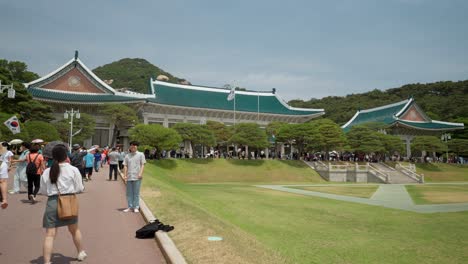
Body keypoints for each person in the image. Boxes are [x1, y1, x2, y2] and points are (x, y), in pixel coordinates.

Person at [39, 144, 87, 263]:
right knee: (74, 229)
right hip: (69, 201)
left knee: (50, 234)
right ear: (66, 155)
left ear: (52, 157)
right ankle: (81, 252)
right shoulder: (73, 169)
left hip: (52, 202)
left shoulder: (47, 172)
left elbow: (43, 191)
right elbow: (80, 188)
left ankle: (46, 261)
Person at [123, 141, 146, 213]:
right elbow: (125, 165)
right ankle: (130, 206)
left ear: (137, 147)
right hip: (129, 176)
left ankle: (136, 207)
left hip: (137, 176)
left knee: (136, 193)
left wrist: (140, 174)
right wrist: (125, 175)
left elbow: (142, 164)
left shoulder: (141, 154)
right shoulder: (127, 156)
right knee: (129, 193)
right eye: (132, 145)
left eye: (135, 145)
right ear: (130, 147)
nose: (133, 147)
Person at [0, 142, 14, 209]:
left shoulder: (8, 152)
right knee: (3, 182)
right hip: (3, 165)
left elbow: (10, 159)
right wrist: (10, 166)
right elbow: (10, 160)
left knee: (2, 181)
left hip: (3, 164)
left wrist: (10, 166)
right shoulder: (8, 151)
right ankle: (4, 199)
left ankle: (3, 198)